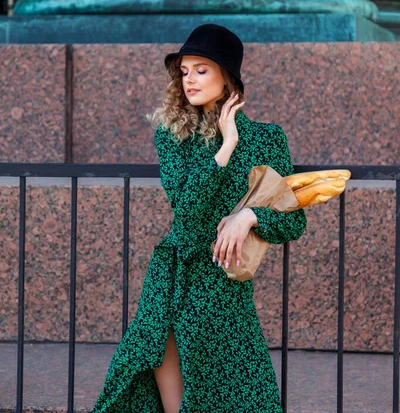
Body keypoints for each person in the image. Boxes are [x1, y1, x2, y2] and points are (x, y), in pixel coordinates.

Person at [92, 23, 307, 413]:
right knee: (166, 384)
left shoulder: (268, 138)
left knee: (243, 392)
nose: (189, 79)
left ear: (228, 78)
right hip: (175, 276)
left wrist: (249, 217)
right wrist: (226, 147)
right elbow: (187, 208)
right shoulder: (172, 135)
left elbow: (293, 221)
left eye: (201, 69)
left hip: (224, 282)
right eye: (185, 71)